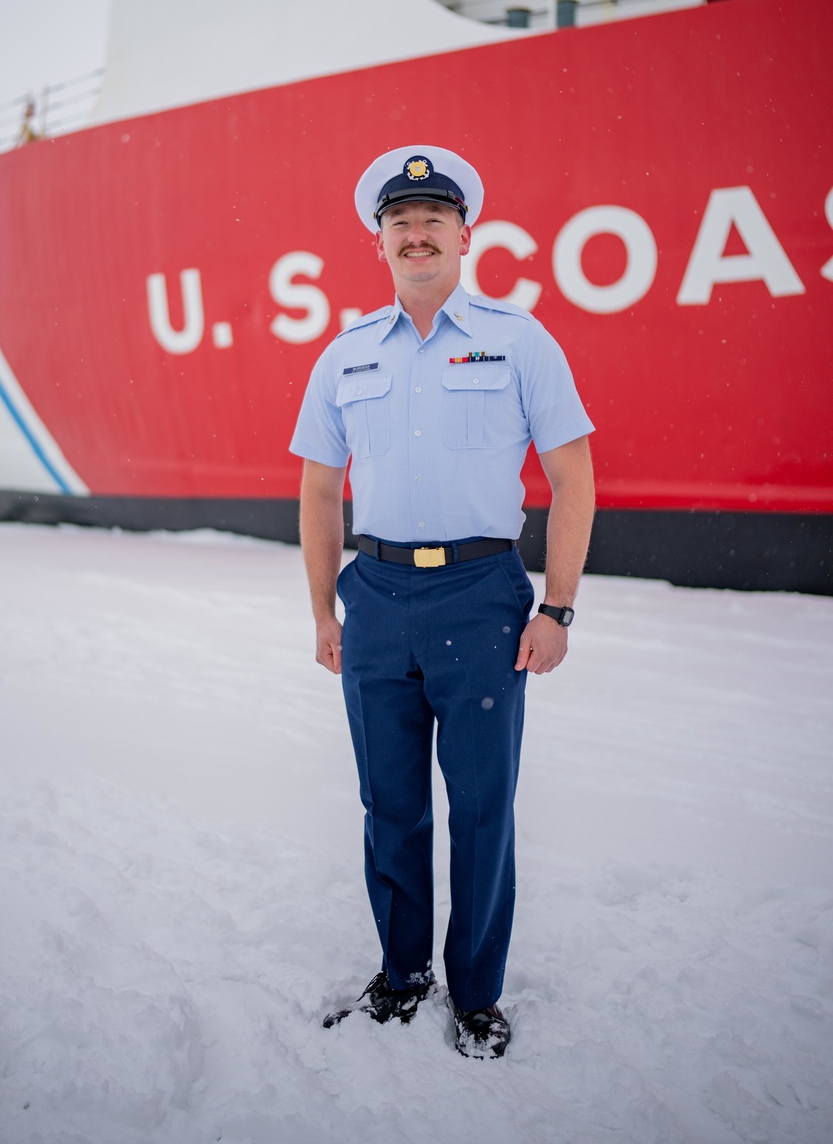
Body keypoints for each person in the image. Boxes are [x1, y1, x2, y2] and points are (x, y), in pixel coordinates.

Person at [290, 146, 595, 1058]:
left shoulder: (520, 340)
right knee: (390, 804)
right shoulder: (343, 357)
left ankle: (476, 995)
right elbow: (316, 492)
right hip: (376, 596)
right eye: (398, 222)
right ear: (377, 241)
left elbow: (572, 481)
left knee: (482, 807)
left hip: (482, 598)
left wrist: (560, 608)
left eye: (432, 220)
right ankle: (401, 975)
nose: (415, 235)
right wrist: (321, 613)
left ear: (466, 235)